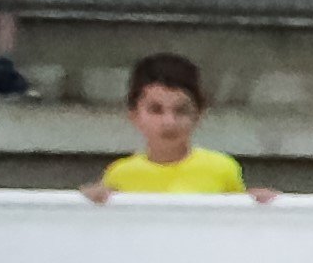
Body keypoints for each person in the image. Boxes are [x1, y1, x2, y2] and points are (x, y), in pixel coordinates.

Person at [87, 50, 260, 199]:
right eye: (156, 110)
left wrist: (262, 203)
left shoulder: (222, 169)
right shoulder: (120, 174)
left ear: (198, 115)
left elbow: (240, 224)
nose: (169, 122)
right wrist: (89, 201)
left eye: (181, 111)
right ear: (134, 115)